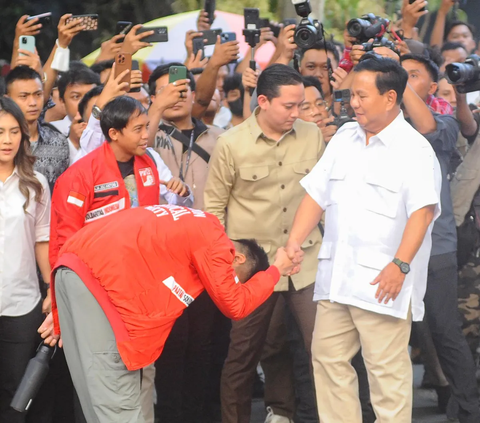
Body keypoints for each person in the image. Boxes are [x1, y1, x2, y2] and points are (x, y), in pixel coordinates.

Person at [287, 54, 442, 422]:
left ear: (390, 98)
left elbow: (422, 213)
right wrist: (294, 241)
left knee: (386, 375)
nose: (352, 102)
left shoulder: (414, 149)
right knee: (326, 359)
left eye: (361, 95)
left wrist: (400, 265)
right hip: (337, 277)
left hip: (382, 281)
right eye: (352, 94)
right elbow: (316, 194)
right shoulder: (344, 137)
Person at [40, 204, 297, 423]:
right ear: (238, 259)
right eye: (236, 281)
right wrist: (276, 271)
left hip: (75, 271)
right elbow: (235, 305)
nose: (226, 285)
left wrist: (74, 301)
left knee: (96, 408)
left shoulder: (186, 223)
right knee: (119, 406)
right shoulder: (214, 239)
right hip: (100, 287)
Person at [205, 64, 325, 423]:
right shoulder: (231, 143)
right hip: (254, 267)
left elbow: (323, 196)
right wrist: (229, 263)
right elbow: (213, 209)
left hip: (307, 260)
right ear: (263, 101)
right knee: (247, 353)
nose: (296, 113)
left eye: (301, 105)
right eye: (289, 106)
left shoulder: (311, 135)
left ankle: (300, 414)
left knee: (322, 350)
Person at [0, 97, 51, 422]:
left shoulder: (36, 183)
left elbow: (42, 242)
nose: (6, 139)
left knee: (18, 394)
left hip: (22, 305)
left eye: (13, 131)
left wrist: (51, 289)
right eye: (0, 131)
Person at [149, 62, 224, 210]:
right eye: (166, 91)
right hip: (164, 227)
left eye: (180, 90)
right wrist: (159, 107)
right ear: (153, 99)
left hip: (210, 226)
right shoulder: (146, 137)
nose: (175, 97)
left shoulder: (220, 137)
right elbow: (140, 147)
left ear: (193, 95)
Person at [5, 66, 69, 192]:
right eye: (24, 96)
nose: (33, 102)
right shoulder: (4, 142)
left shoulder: (58, 142)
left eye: (38, 94)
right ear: (8, 99)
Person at [51, 67, 101, 163]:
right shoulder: (51, 131)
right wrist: (73, 142)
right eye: (76, 96)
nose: (84, 101)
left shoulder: (110, 127)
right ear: (62, 101)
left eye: (90, 95)